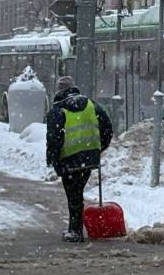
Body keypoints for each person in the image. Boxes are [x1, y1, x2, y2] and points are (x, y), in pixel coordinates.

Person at [45, 75, 113, 243]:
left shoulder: (58, 111)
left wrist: (53, 159)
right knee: (78, 193)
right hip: (88, 158)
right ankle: (74, 229)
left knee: (73, 195)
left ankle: (75, 231)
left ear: (59, 91)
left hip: (69, 160)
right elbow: (107, 128)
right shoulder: (91, 105)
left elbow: (54, 139)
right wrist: (98, 148)